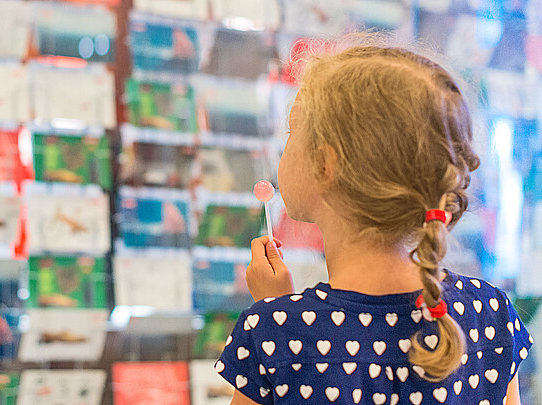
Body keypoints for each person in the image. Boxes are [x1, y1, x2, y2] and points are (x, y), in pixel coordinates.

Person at [216, 37, 533, 405]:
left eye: (291, 132)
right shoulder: (490, 315)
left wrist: (276, 319)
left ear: (325, 164)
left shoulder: (273, 334)